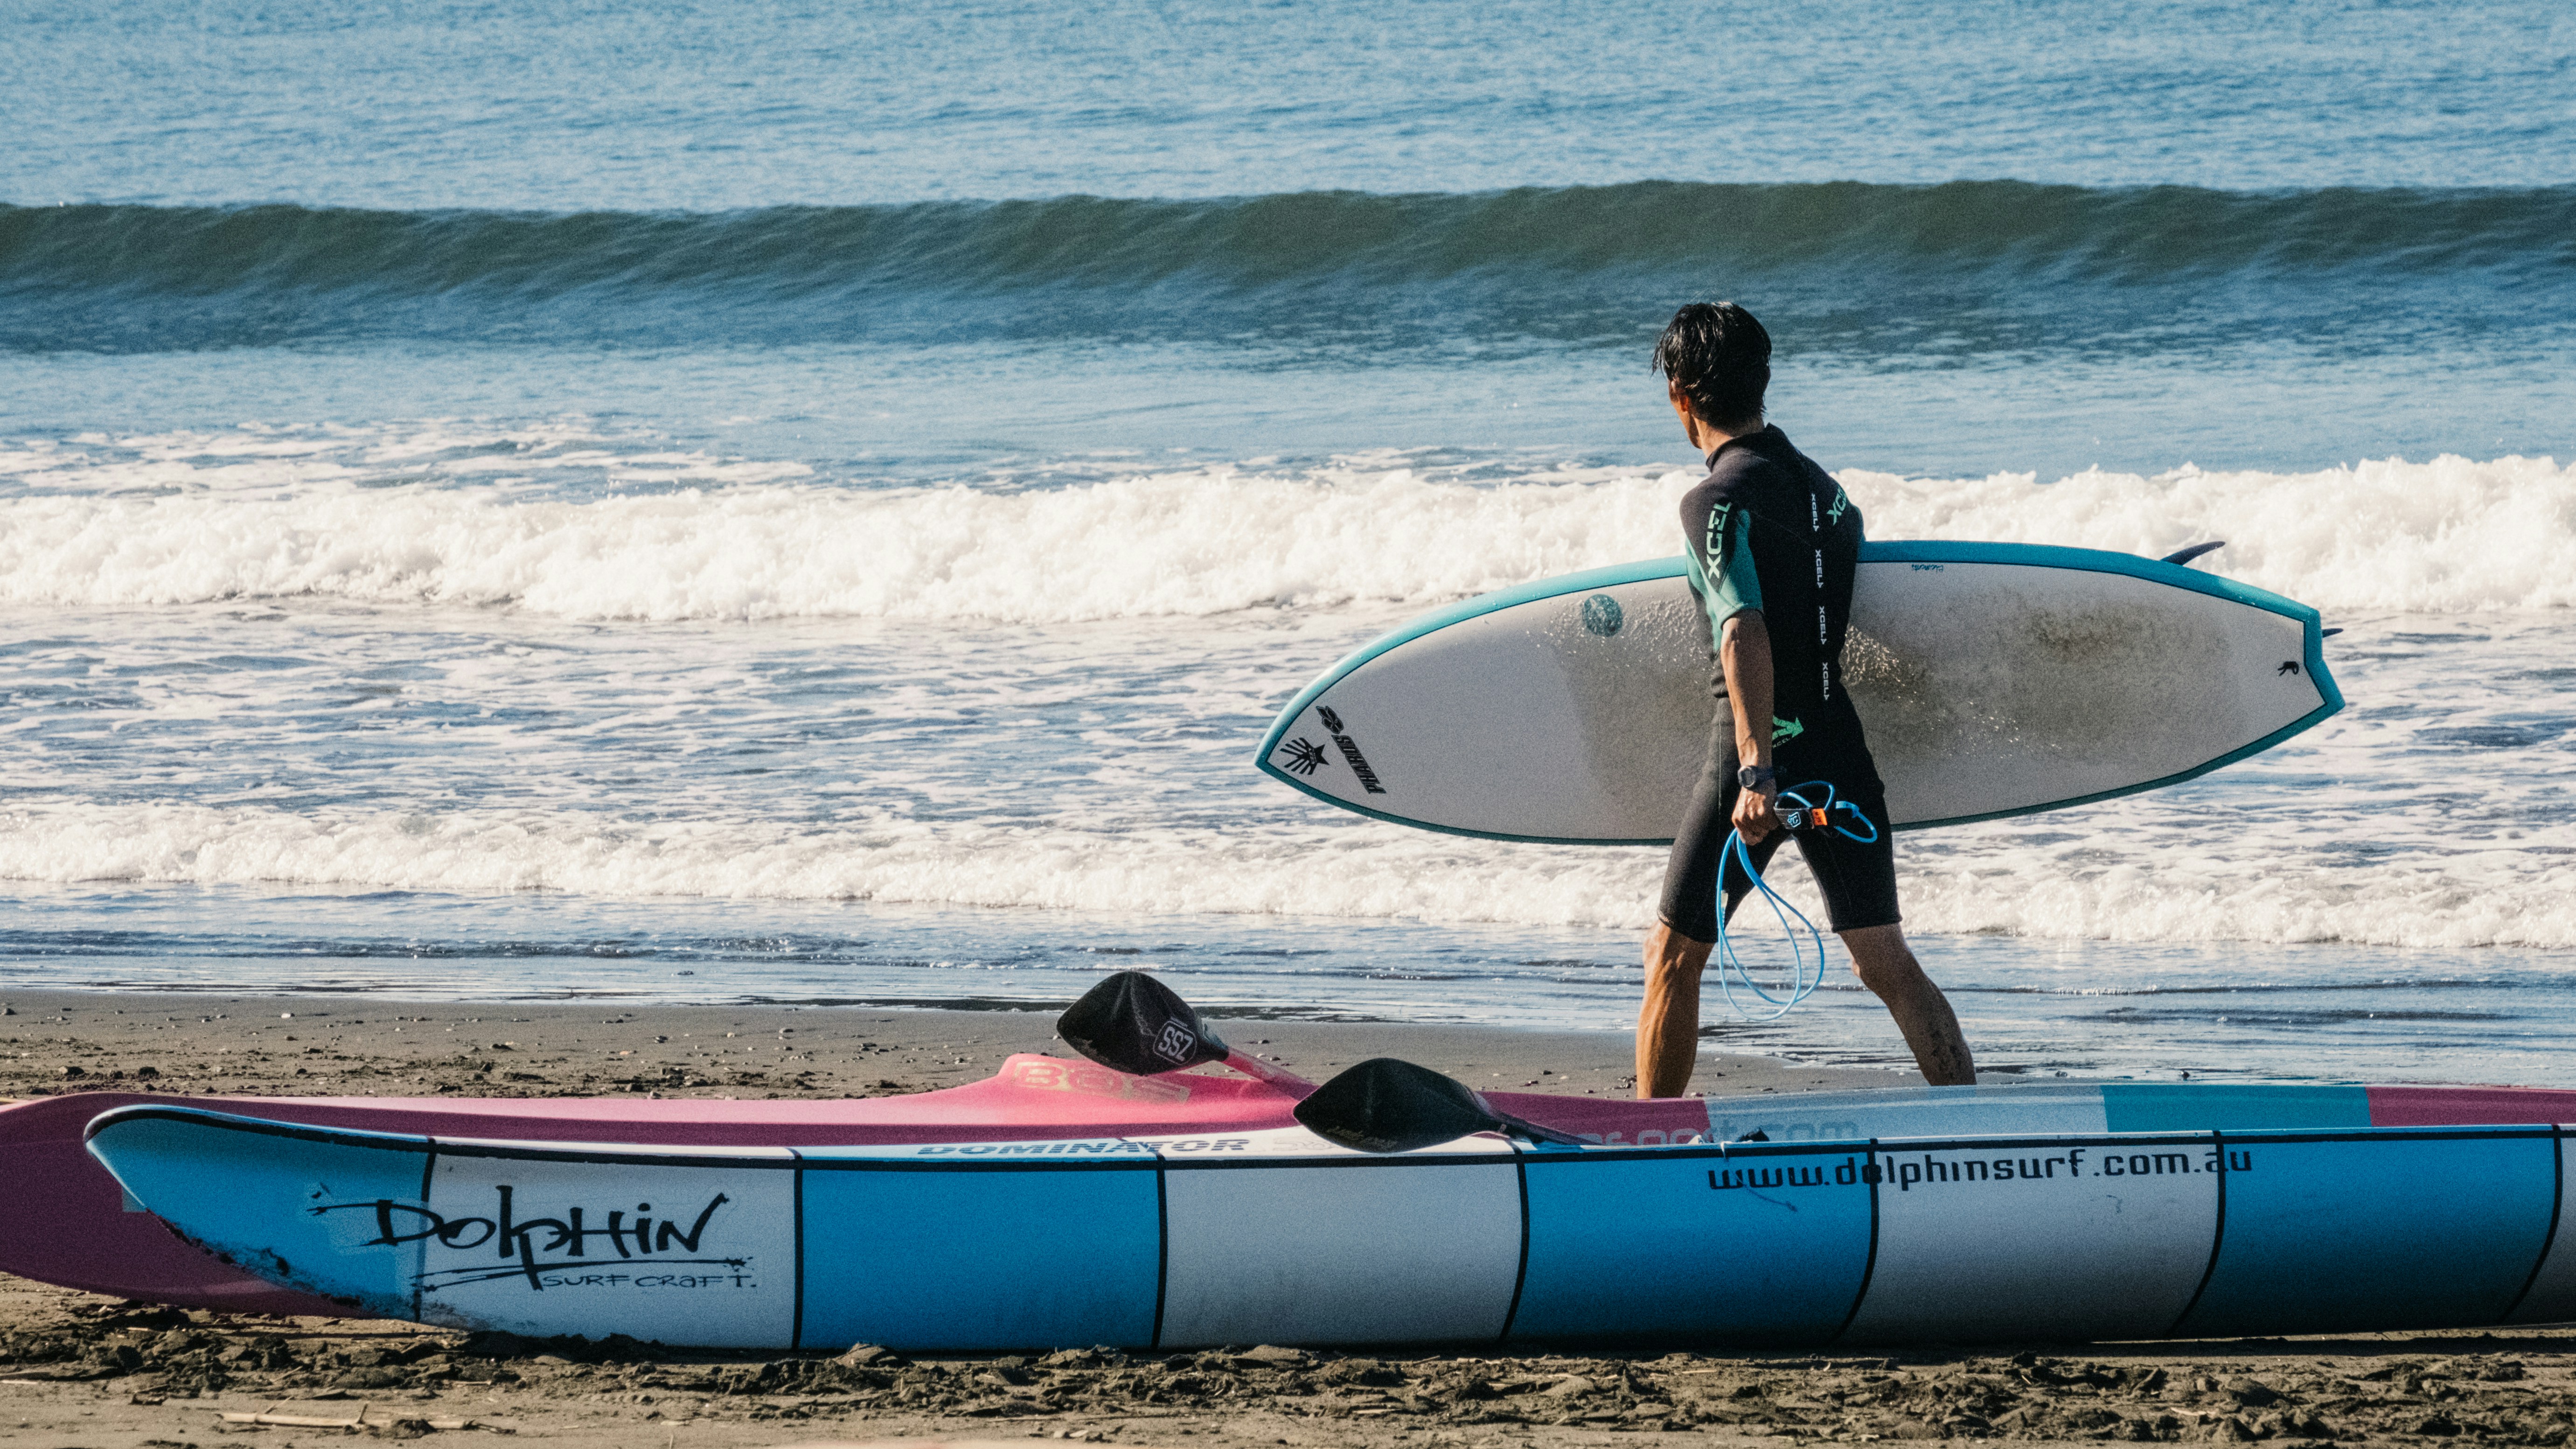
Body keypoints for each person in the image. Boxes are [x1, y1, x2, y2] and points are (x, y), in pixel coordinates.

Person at [1636, 301, 1976, 1098]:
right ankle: (1975, 1119)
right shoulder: (1829, 495)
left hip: (1756, 760)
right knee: (1883, 958)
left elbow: (1741, 626)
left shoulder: (1712, 502)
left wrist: (1756, 768)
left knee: (1674, 955)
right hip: (1837, 748)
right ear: (1762, 382)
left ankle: (1642, 1146)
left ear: (1681, 393)